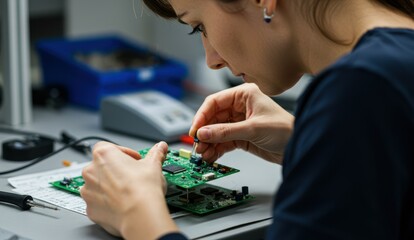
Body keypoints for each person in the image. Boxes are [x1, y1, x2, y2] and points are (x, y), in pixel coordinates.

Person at [80, 0, 414, 239]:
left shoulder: (362, 89)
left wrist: (139, 216)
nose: (211, 60)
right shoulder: (389, 70)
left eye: (198, 26)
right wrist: (311, 142)